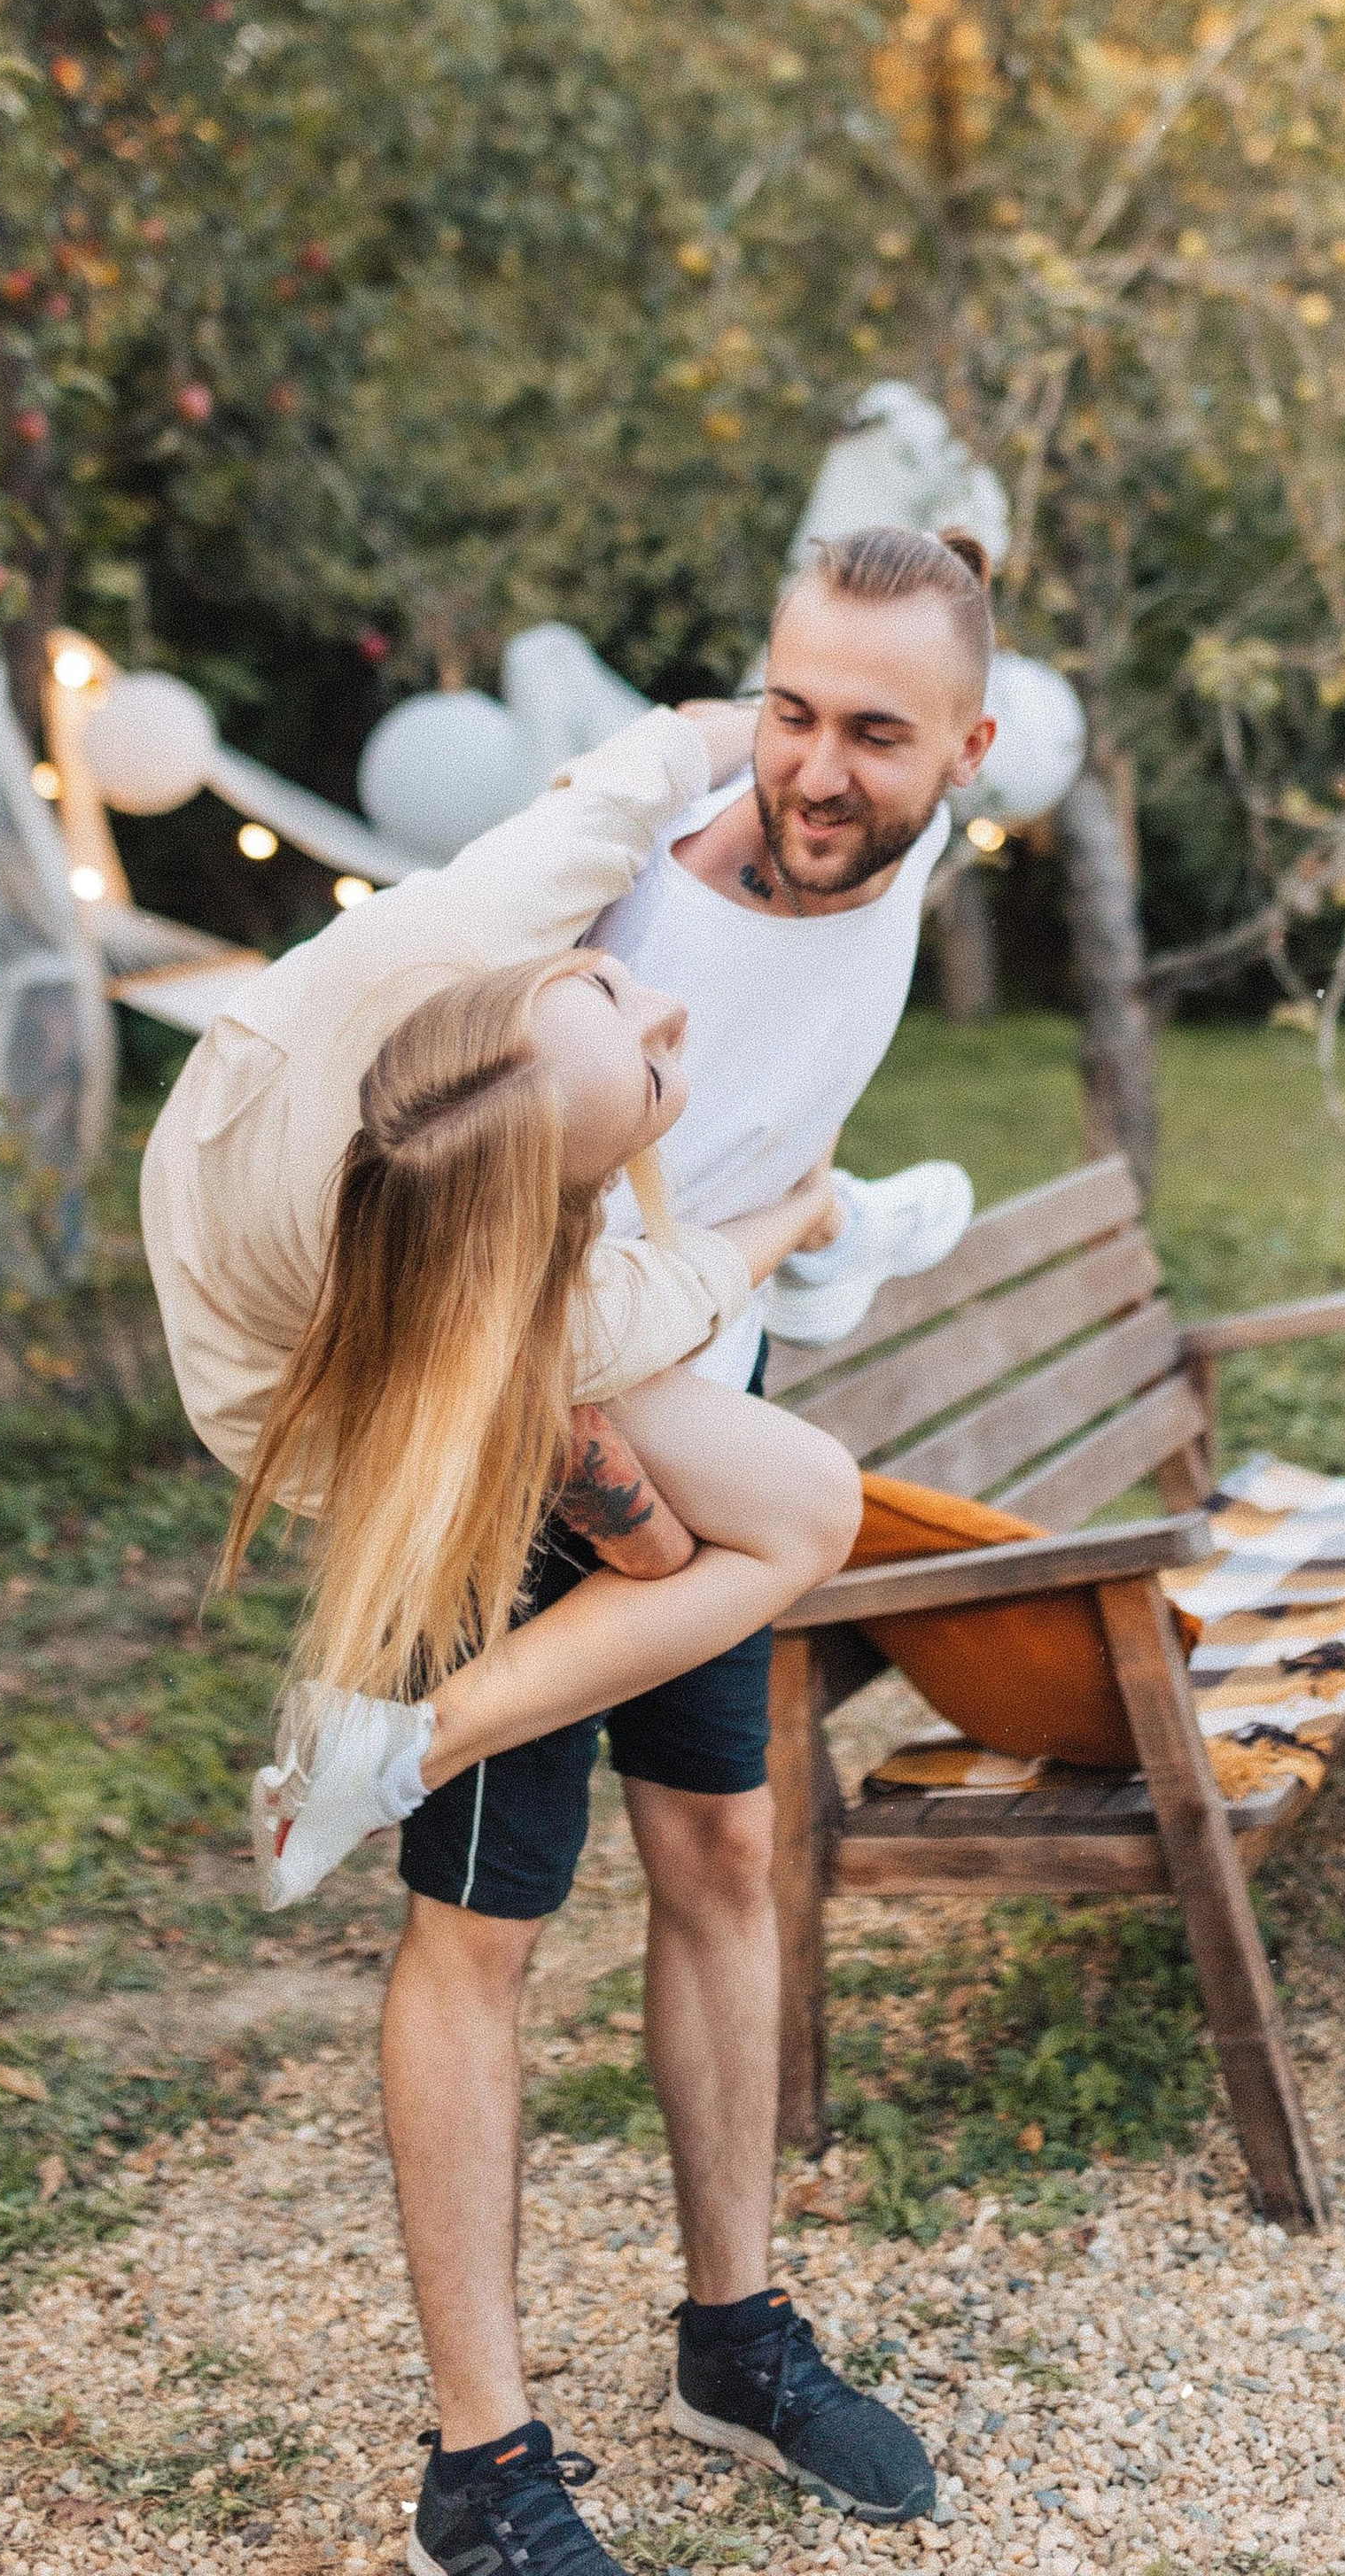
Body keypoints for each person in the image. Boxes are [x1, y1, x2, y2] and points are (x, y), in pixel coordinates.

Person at [383, 527, 999, 2576]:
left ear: (964, 755)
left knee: (725, 1859)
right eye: (788, 712)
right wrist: (612, 1499)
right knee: (481, 1924)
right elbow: (451, 1204)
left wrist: (794, 1263)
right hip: (503, 1437)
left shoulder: (896, 863)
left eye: (871, 735)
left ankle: (731, 2337)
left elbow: (767, 1157)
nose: (812, 773)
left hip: (690, 1409)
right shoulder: (612, 884)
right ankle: (480, 2468)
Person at [142, 697, 864, 1905]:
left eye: (606, 990)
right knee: (805, 1510)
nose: (671, 1010)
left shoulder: (475, 923)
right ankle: (399, 1748)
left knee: (665, 1541)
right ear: (551, 1221)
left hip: (309, 1179)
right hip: (282, 1365)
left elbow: (651, 759)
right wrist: (807, 1212)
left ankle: (435, 1684)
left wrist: (785, 716)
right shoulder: (539, 1308)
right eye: (655, 1074)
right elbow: (681, 1284)